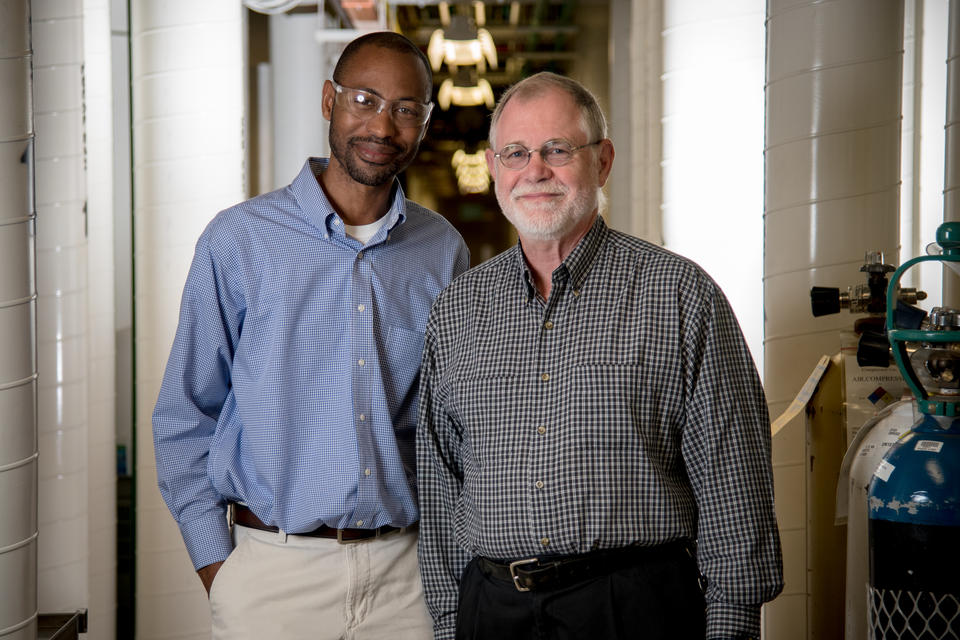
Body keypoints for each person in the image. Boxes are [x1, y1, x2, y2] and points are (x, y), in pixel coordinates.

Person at [416, 71, 783, 640]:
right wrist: (448, 619)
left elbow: (734, 483)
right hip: (491, 612)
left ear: (602, 161)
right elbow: (441, 484)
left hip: (633, 609)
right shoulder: (457, 310)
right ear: (493, 169)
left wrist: (733, 622)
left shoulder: (680, 296)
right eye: (515, 153)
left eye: (557, 150)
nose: (534, 170)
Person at [152, 31, 469, 639]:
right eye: (365, 100)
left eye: (406, 109)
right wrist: (219, 567)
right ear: (329, 101)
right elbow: (185, 413)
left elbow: (450, 418)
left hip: (408, 578)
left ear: (425, 123)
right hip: (272, 574)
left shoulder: (441, 251)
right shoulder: (237, 240)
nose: (383, 126)